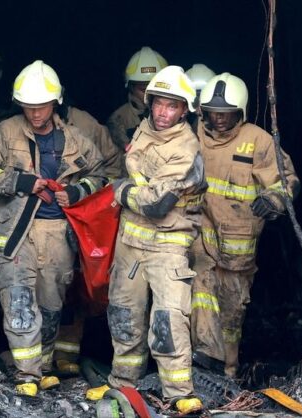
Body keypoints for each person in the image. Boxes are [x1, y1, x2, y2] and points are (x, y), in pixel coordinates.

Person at [0, 60, 106, 397]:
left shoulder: (74, 139)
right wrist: (20, 182)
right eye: (28, 106)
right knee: (18, 299)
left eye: (41, 106)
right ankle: (26, 373)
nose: (34, 113)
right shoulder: (5, 132)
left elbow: (101, 174)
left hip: (58, 234)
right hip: (17, 233)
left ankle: (42, 366)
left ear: (55, 103)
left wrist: (77, 191)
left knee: (50, 305)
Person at [88, 66, 206, 415]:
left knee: (168, 320)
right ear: (149, 102)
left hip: (168, 244)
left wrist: (121, 191)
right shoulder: (143, 129)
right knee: (124, 314)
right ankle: (122, 382)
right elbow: (142, 183)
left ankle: (179, 392)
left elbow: (157, 204)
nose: (163, 112)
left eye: (172, 106)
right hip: (131, 242)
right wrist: (134, 189)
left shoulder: (186, 148)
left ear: (184, 111)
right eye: (158, 103)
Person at [189, 72, 300, 378]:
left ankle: (227, 371)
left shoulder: (258, 141)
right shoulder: (191, 135)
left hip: (238, 245)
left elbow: (287, 179)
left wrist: (275, 199)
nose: (219, 118)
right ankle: (205, 358)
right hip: (200, 233)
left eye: (226, 113)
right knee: (202, 288)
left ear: (240, 112)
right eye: (213, 112)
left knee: (232, 310)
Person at [106, 46, 167, 153]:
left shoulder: (177, 112)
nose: (150, 94)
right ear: (131, 88)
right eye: (143, 89)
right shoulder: (119, 120)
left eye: (155, 87)